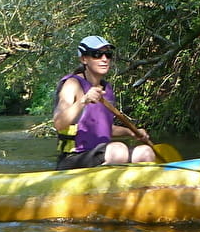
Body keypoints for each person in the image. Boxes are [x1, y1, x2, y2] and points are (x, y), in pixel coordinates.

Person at [53, 35, 154, 169]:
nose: (104, 59)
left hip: (100, 154)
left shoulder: (107, 88)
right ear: (84, 59)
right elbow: (59, 123)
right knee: (118, 150)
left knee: (146, 153)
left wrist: (131, 132)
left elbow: (103, 128)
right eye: (97, 54)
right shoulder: (73, 84)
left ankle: (145, 188)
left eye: (108, 54)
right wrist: (83, 100)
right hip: (73, 158)